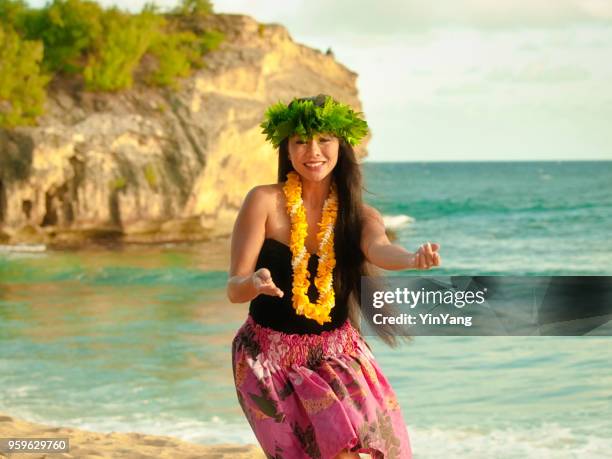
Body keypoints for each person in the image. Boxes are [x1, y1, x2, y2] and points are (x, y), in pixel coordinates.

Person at [227, 94, 441, 459]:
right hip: (267, 358)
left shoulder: (359, 214)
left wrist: (411, 260)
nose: (313, 151)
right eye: (301, 141)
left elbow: (378, 249)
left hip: (338, 356)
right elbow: (234, 288)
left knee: (360, 450)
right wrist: (254, 283)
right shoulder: (263, 201)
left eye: (324, 139)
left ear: (341, 145)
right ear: (287, 149)